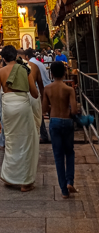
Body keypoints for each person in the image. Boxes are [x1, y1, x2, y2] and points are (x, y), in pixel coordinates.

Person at [0, 45, 39, 192]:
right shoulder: (25, 70)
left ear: (3, 58)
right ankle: (25, 182)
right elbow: (35, 94)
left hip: (8, 107)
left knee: (11, 142)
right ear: (16, 56)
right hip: (23, 106)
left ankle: (10, 177)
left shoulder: (0, 72)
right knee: (26, 142)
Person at [42, 61, 77, 198]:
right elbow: (74, 110)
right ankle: (70, 181)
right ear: (64, 73)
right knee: (69, 153)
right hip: (67, 121)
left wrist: (53, 106)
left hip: (54, 121)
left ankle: (63, 190)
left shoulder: (47, 89)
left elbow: (44, 109)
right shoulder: (69, 90)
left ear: (51, 73)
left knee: (58, 156)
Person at [25, 47, 51, 143]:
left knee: (39, 114)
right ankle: (45, 134)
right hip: (43, 88)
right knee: (39, 114)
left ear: (26, 57)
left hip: (36, 91)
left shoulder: (31, 65)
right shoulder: (38, 63)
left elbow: (38, 83)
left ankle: (42, 135)